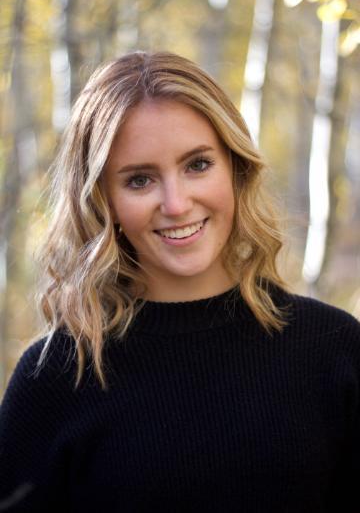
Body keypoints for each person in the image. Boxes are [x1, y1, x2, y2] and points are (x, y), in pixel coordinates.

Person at [0, 51, 359, 513]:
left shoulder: (332, 350)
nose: (175, 203)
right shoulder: (57, 377)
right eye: (140, 180)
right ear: (101, 200)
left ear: (235, 166)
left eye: (197, 165)